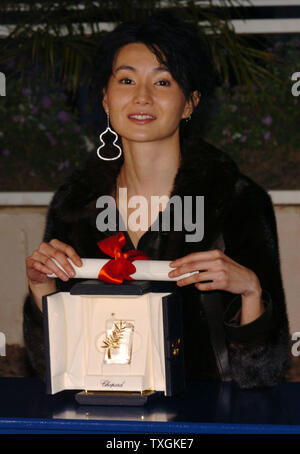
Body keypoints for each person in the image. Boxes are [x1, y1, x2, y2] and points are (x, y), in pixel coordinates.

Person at [23, 12, 290, 389]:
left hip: (207, 420)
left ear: (189, 103)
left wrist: (250, 291)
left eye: (163, 81)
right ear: (105, 98)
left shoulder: (234, 200)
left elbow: (263, 373)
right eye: (126, 80)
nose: (142, 96)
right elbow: (51, 366)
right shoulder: (75, 205)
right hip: (101, 417)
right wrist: (41, 290)